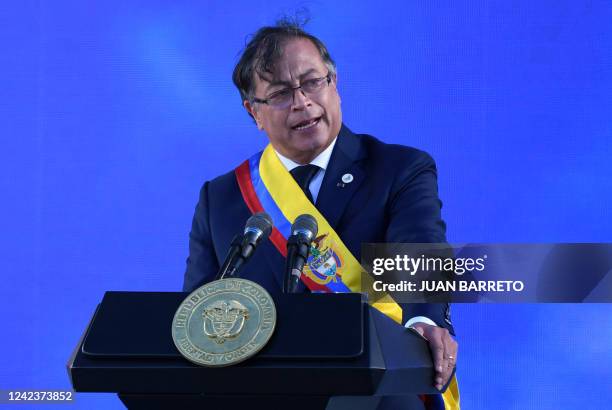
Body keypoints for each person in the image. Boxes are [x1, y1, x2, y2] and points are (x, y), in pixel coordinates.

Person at [183, 20, 459, 409]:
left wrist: (423, 322)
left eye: (312, 82)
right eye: (280, 93)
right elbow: (198, 307)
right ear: (253, 112)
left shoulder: (397, 169)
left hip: (371, 387)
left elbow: (419, 251)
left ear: (334, 83)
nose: (301, 102)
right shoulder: (223, 197)